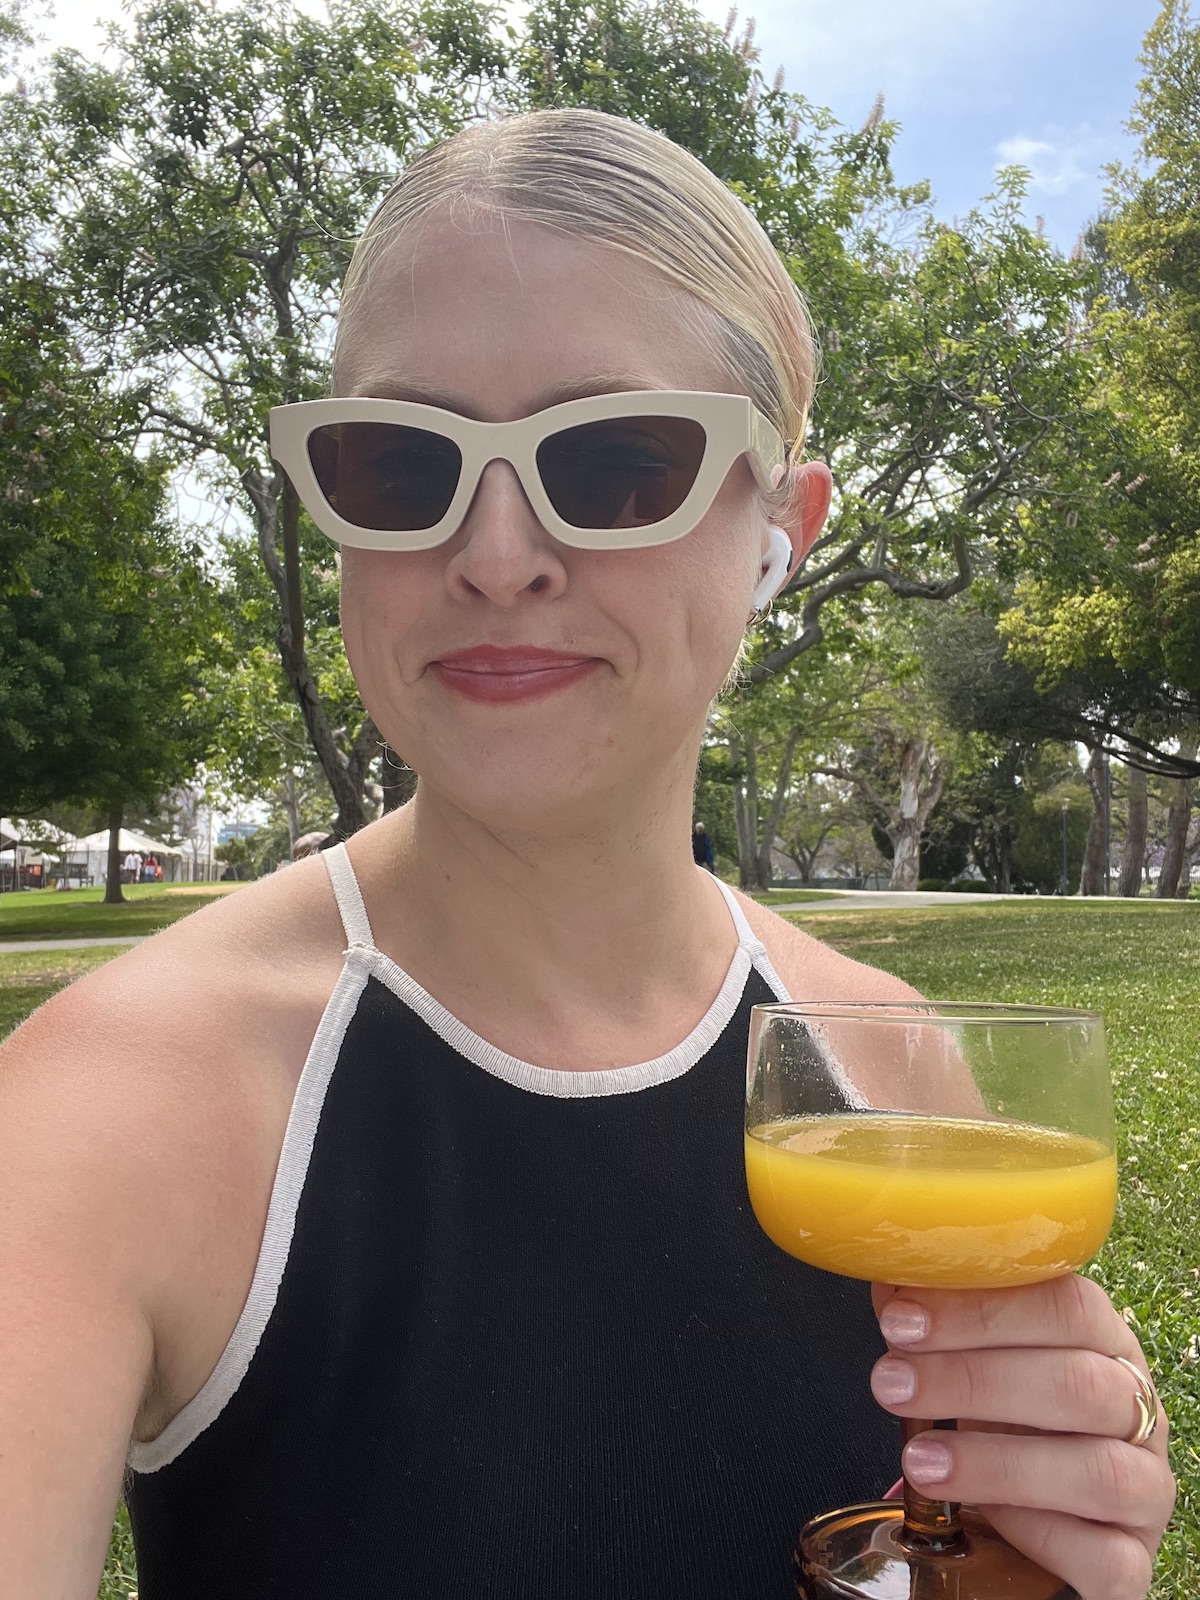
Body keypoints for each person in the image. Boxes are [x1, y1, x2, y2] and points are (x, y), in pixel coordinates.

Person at [0, 110, 1173, 1600]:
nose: (496, 553)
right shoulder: (102, 1114)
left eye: (615, 461)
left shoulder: (893, 1068)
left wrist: (1064, 1520)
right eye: (401, 462)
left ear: (778, 531)